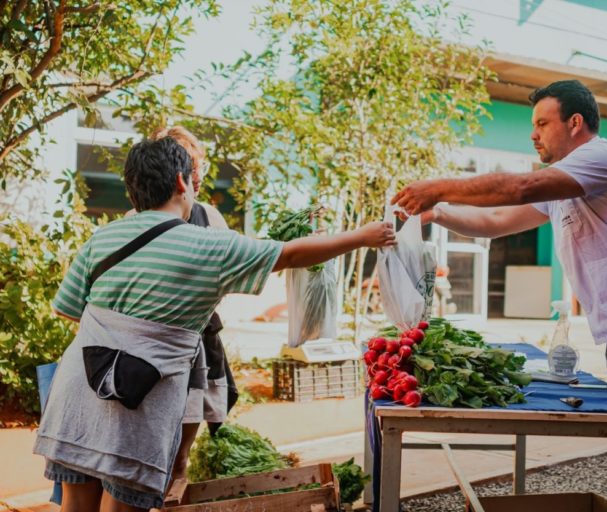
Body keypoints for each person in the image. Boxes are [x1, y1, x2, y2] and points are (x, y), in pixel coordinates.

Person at [34, 136, 396, 512]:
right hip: (137, 399)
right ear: (181, 182)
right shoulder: (210, 246)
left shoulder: (103, 236)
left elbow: (69, 308)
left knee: (75, 504)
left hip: (79, 389)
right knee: (122, 506)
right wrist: (363, 237)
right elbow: (290, 254)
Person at [392, 79, 607, 512]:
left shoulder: (601, 157)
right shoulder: (564, 186)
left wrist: (439, 187)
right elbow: (499, 218)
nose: (532, 134)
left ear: (575, 123)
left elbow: (518, 189)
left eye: (542, 122)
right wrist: (438, 212)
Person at [128, 126, 234, 485]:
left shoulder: (209, 217)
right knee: (146, 450)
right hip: (149, 349)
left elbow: (229, 276)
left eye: (198, 166)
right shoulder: (133, 223)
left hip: (199, 343)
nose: (196, 177)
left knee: (180, 455)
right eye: (190, 167)